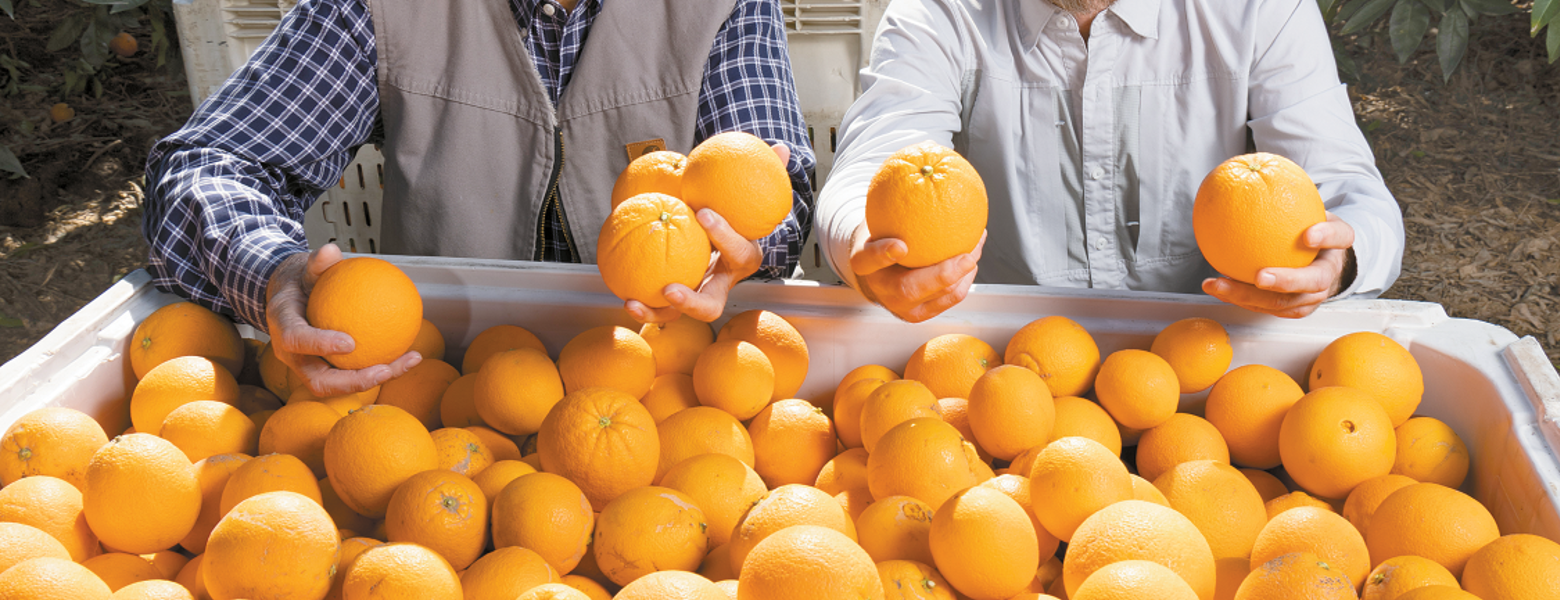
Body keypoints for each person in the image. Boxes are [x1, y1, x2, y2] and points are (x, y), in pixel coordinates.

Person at [142, 0, 816, 394]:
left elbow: (773, 182)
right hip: (431, 383)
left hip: (667, 387)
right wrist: (274, 277)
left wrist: (750, 243)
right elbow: (208, 166)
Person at [815, 0, 1404, 323]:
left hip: (1216, 365)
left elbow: (1351, 194)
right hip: (1002, 371)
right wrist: (870, 249)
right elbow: (874, 163)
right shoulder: (938, 12)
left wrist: (1339, 262)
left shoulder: (1259, 10)